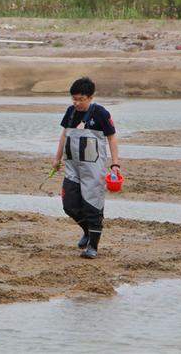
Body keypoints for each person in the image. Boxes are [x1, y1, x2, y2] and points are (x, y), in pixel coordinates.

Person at [52, 77, 120, 259]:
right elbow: (64, 135)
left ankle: (93, 247)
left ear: (90, 97)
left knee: (93, 206)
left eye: (80, 99)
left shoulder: (101, 114)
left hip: (93, 168)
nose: (77, 103)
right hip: (72, 167)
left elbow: (112, 138)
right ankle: (87, 231)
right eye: (74, 99)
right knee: (70, 205)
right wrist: (57, 158)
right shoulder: (71, 112)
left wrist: (115, 164)